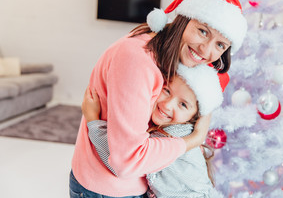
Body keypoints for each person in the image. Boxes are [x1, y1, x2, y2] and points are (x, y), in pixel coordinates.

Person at [70, 0, 247, 198]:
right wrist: (194, 139)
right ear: (184, 19)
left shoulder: (175, 61)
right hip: (111, 190)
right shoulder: (139, 60)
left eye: (220, 45)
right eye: (203, 31)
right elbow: (126, 162)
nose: (206, 50)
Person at [83, 64, 225, 197]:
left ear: (194, 117)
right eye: (167, 90)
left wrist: (92, 119)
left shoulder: (170, 136)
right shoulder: (177, 129)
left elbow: (122, 162)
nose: (168, 105)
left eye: (183, 104)